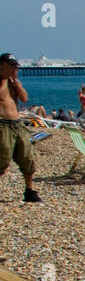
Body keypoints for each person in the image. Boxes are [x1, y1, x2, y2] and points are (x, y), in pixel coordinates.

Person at [0, 54, 40, 202]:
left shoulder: (14, 81)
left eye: (15, 66)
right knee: (2, 160)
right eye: (11, 65)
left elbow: (24, 98)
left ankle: (29, 191)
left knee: (27, 157)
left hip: (17, 124)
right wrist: (5, 78)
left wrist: (16, 83)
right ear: (2, 65)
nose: (14, 68)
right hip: (2, 124)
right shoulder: (2, 81)